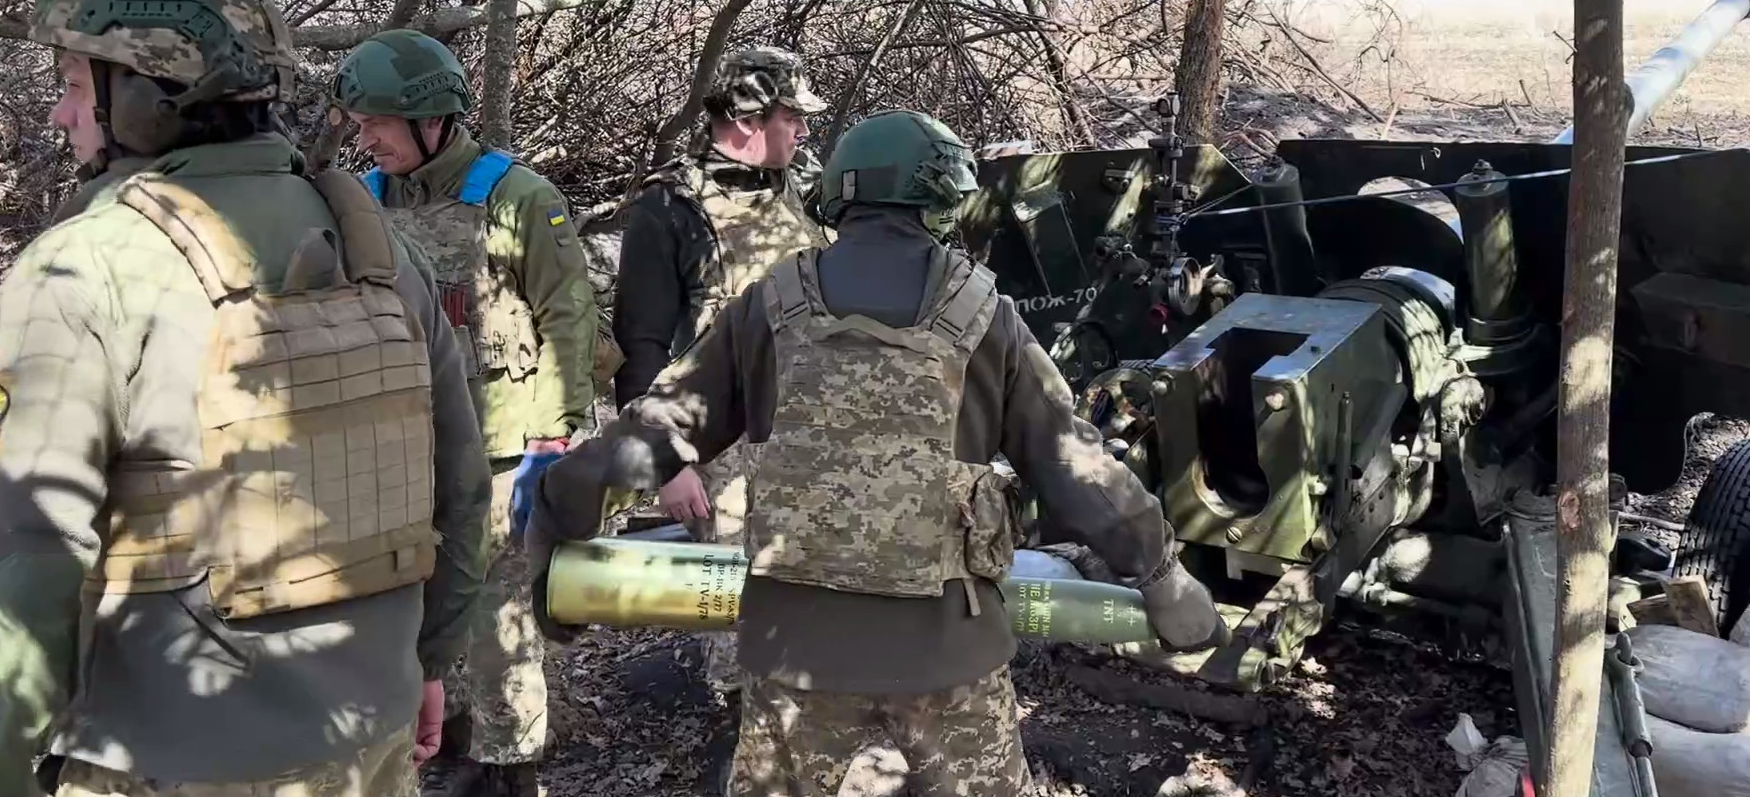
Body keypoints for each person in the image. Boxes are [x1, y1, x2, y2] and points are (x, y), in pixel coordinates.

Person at [527, 109, 1230, 796]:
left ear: (840, 190)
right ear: (939, 194)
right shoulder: (984, 313)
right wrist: (1163, 574)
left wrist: (563, 510)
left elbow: (660, 427)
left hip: (792, 649)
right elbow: (1072, 467)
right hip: (947, 653)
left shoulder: (771, 305)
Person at [0, 0, 491, 797]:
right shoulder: (377, 248)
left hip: (170, 765)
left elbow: (25, 554)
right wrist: (429, 662)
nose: (59, 117)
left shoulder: (84, 269)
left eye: (75, 86)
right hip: (370, 741)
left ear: (146, 101)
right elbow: (460, 485)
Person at [329, 28, 599, 797]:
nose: (367, 135)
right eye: (360, 121)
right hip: (398, 451)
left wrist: (553, 437)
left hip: (501, 448)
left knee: (496, 625)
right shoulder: (360, 203)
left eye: (380, 119)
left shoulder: (516, 197)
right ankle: (436, 749)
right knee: (408, 607)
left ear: (432, 116)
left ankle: (509, 769)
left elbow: (568, 318)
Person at [610, 45, 832, 696]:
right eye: (792, 116)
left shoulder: (805, 192)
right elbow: (640, 346)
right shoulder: (669, 208)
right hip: (724, 444)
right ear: (745, 120)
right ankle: (739, 737)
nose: (804, 130)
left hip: (812, 431)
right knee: (736, 611)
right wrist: (665, 463)